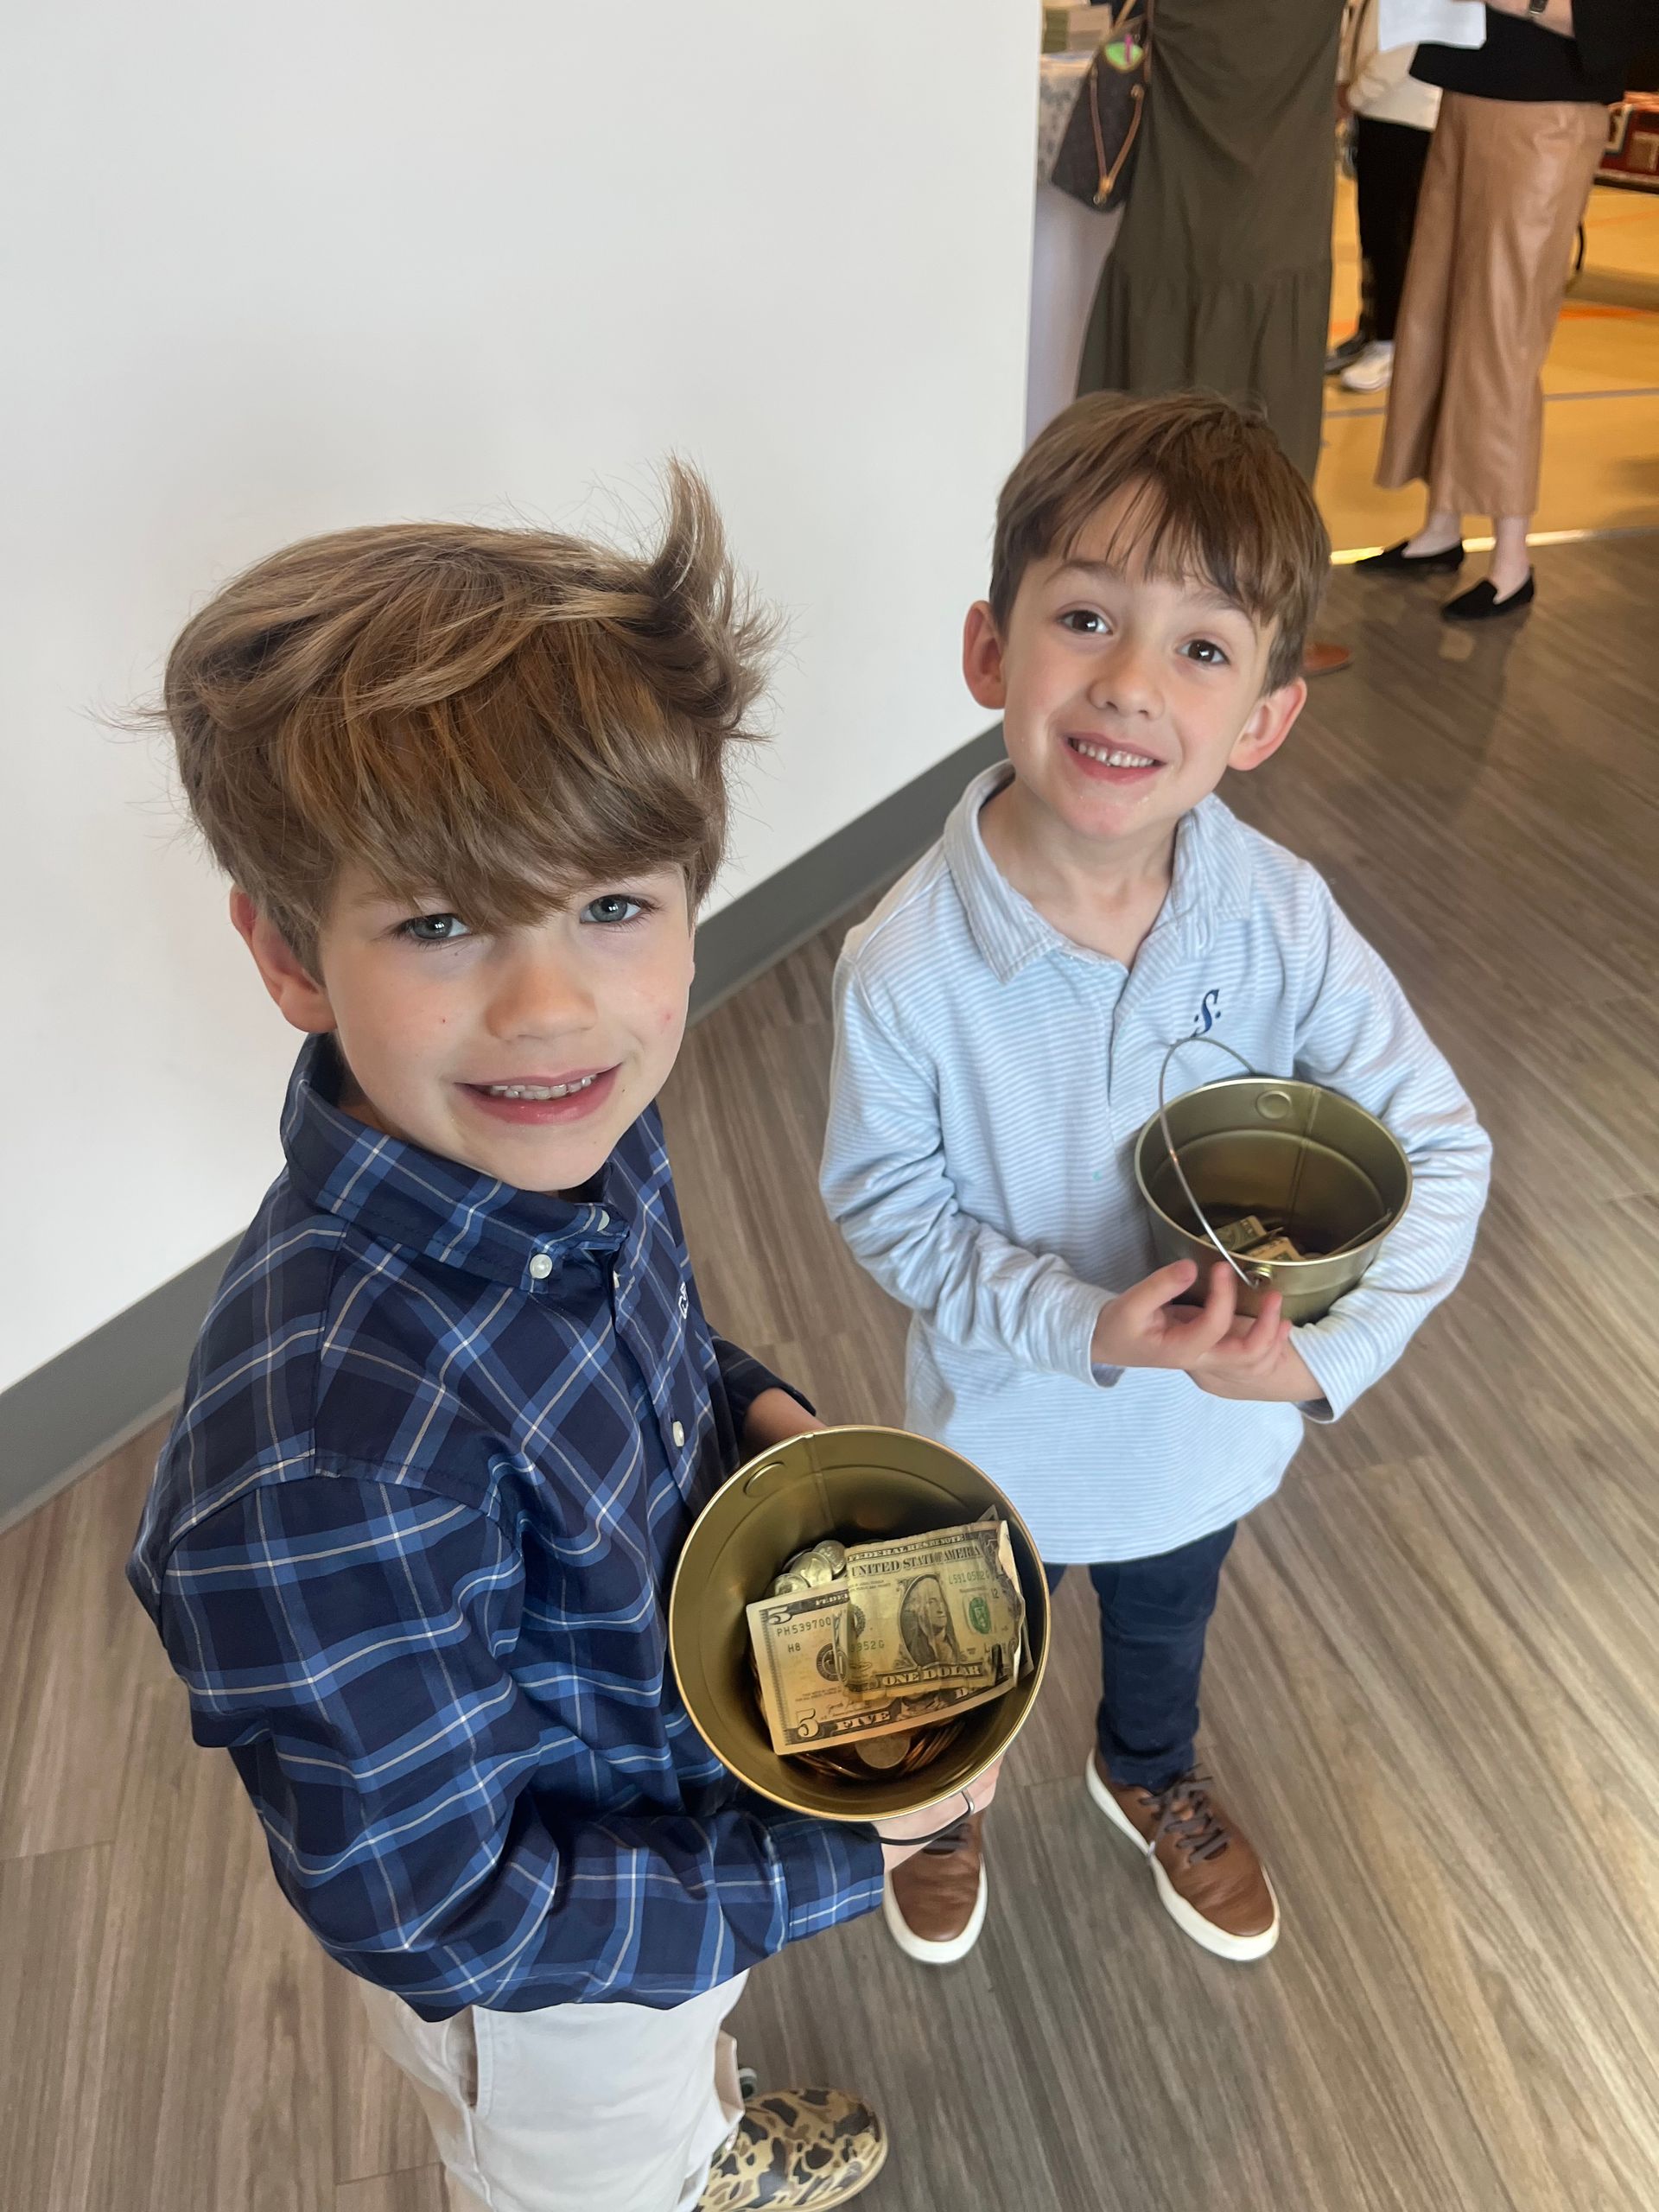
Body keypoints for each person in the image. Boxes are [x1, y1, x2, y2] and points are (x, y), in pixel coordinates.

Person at [126, 473, 1000, 2212]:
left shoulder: (560, 1128)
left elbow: (634, 1323)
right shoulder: (327, 1456)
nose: (551, 1005)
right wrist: (844, 1847)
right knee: (586, 2164)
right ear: (290, 951)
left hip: (669, 1796)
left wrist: (742, 1402)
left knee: (679, 2052)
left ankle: (697, 2135)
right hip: (547, 1999)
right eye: (442, 922)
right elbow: (451, 1906)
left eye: (613, 902)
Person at [821, 392, 1491, 1970]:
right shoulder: (906, 964)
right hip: (994, 1432)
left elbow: (1443, 1143)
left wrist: (1321, 1360)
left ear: (1262, 715)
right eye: (1085, 618)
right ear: (992, 652)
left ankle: (1147, 1773)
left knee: (1166, 1628)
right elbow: (887, 1208)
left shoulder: (1280, 915)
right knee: (961, 1649)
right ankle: (945, 1805)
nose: (1129, 682)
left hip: (1206, 1445)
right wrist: (1081, 1324)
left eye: (1202, 647)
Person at [1077, 0, 1355, 677]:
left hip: (1175, 213)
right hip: (1275, 212)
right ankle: (1262, 635)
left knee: (1153, 399)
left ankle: (1118, 610)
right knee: (1270, 400)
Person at [1363, 0, 1643, 620]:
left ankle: (1512, 561)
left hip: (1549, 114)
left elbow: (1622, 21)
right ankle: (1440, 525)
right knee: (1433, 310)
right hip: (1470, 94)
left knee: (1502, 330)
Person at [1332, 0, 1441, 393]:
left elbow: (1403, 50)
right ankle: (1372, 326)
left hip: (1408, 119)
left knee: (1394, 236)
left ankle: (1391, 343)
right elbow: (1354, 25)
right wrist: (1344, 83)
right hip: (1376, 114)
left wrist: (1353, 96)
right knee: (1373, 234)